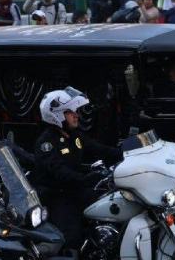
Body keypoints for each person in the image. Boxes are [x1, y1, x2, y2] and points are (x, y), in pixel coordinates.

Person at [34, 88, 122, 248]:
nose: (77, 115)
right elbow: (59, 171)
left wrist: (127, 152)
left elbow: (99, 149)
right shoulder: (46, 142)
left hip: (76, 190)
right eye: (71, 112)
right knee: (71, 237)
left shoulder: (74, 136)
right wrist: (84, 178)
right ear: (56, 115)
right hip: (58, 196)